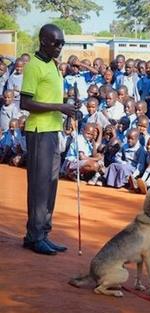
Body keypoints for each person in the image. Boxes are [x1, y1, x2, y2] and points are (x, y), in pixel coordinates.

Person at [20, 24, 76, 255]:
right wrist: (59, 106)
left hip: (53, 131)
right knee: (39, 186)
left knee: (51, 184)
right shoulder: (34, 66)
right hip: (39, 131)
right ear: (43, 41)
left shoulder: (53, 65)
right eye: (56, 42)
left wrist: (68, 109)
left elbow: (51, 98)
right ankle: (34, 236)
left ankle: (43, 233)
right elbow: (25, 103)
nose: (60, 47)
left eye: (62, 43)